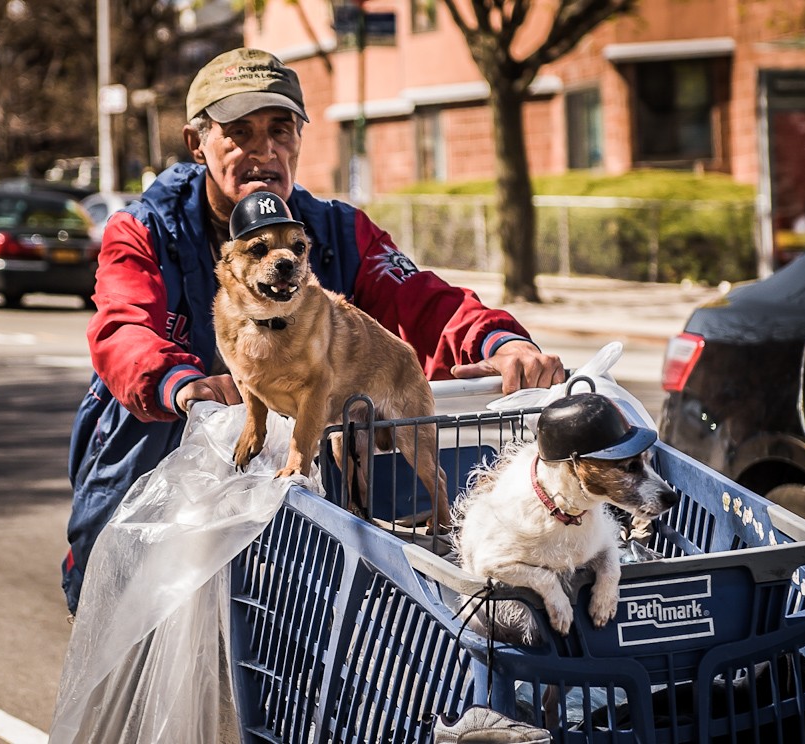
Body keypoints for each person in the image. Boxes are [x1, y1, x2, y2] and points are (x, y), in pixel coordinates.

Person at [62, 47, 565, 614]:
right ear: (196, 143)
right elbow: (123, 326)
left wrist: (500, 343)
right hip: (148, 474)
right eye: (239, 132)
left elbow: (421, 298)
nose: (264, 151)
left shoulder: (332, 229)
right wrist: (181, 383)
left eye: (281, 130)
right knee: (127, 651)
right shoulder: (146, 227)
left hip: (289, 505)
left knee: (280, 658)